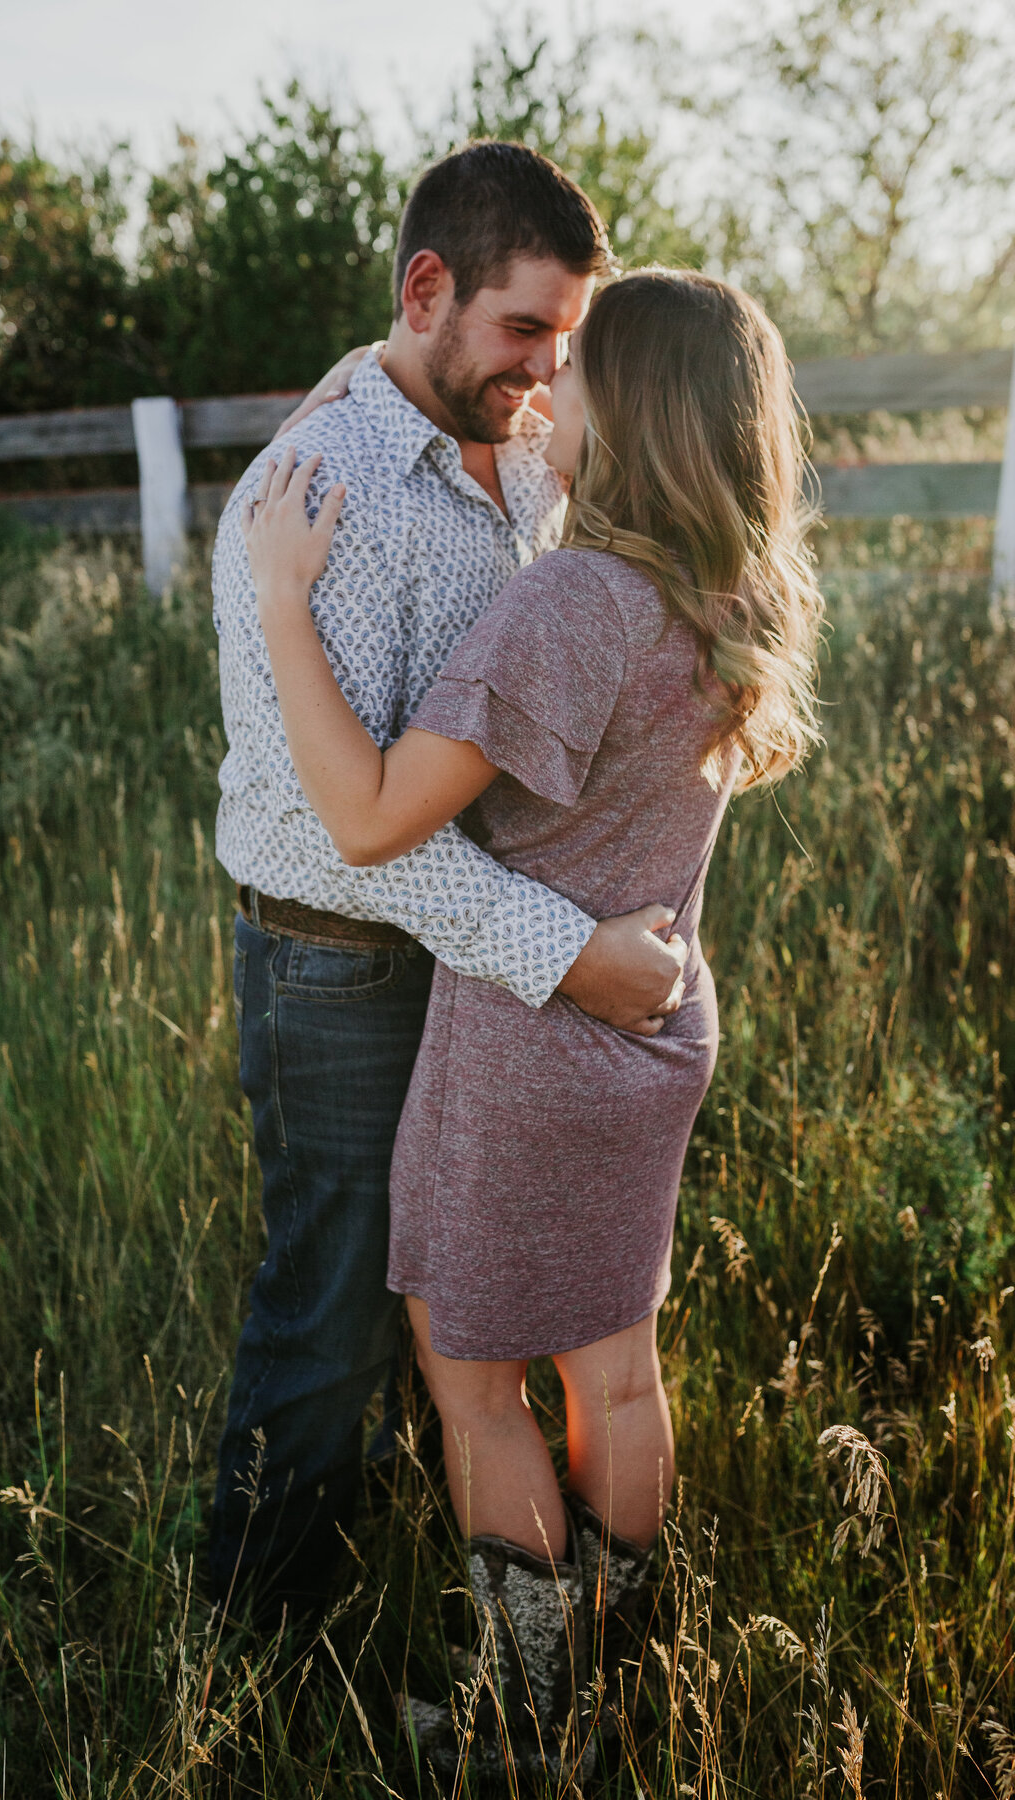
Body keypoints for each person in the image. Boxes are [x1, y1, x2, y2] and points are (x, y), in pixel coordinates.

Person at [242, 268, 823, 1778]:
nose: (544, 392)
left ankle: (530, 1712)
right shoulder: (727, 590)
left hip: (525, 1041)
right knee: (618, 1371)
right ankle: (639, 1663)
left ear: (631, 417)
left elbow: (369, 817)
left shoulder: (571, 603)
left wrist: (286, 597)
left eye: (580, 373)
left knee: (478, 1386)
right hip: (655, 1031)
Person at [208, 142, 691, 1631]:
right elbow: (368, 828)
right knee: (337, 1313)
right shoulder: (318, 494)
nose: (549, 369)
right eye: (525, 329)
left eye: (568, 339)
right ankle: (252, 1641)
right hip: (342, 960)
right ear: (428, 288)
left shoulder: (531, 448)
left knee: (466, 1306)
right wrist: (573, 956)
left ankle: (503, 1612)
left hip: (480, 964)